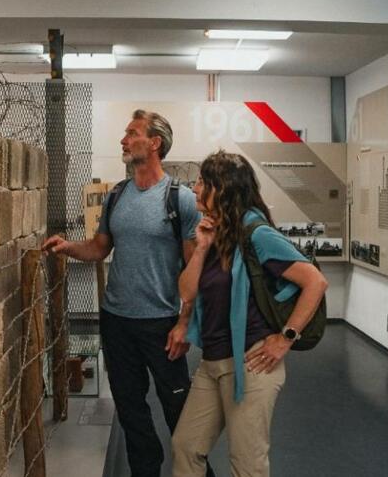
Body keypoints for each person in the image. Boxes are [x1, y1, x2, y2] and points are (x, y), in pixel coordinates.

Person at [43, 109, 212, 477]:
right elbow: (99, 248)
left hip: (162, 323)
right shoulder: (117, 196)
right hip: (117, 322)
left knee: (179, 411)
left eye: (132, 133)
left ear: (154, 143)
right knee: (131, 411)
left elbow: (194, 268)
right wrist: (67, 246)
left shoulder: (180, 199)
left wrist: (185, 323)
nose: (123, 140)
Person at [171, 151, 328, 477]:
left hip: (250, 364)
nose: (195, 188)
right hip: (212, 362)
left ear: (222, 188)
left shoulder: (257, 234)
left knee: (247, 464)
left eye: (202, 181)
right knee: (185, 446)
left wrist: (285, 338)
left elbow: (315, 281)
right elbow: (186, 292)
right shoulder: (213, 233)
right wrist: (201, 248)